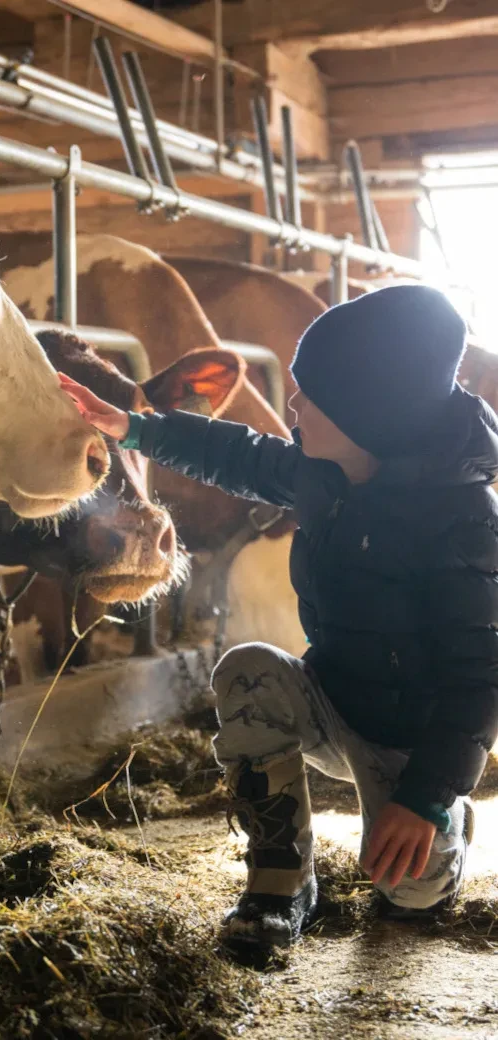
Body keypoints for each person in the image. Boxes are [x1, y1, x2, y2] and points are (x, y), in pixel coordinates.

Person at [59, 285, 498, 952]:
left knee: (409, 894)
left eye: (311, 393)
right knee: (250, 671)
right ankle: (281, 879)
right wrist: (136, 428)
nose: (292, 405)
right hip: (332, 700)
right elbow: (237, 455)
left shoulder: (462, 523)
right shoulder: (324, 474)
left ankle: (449, 832)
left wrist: (428, 798)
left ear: (368, 412)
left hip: (413, 741)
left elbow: (481, 678)